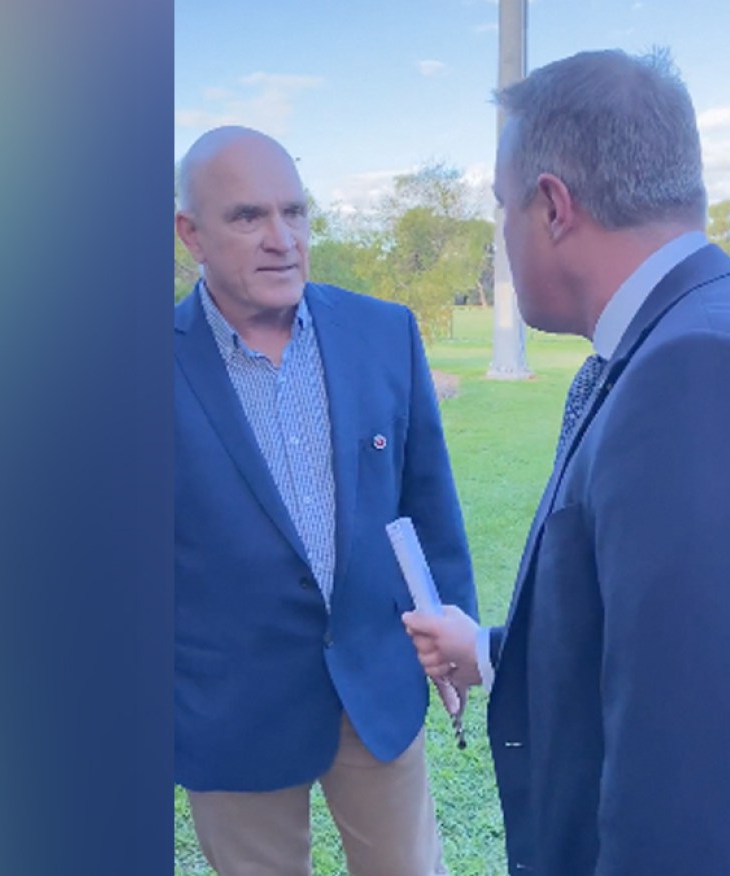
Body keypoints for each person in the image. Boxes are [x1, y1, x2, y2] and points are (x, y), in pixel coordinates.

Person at [403, 49, 730, 875]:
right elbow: (671, 649)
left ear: (552, 206)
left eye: (501, 208)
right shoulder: (714, 331)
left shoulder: (699, 372)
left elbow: (702, 787)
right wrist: (492, 652)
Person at [174, 125, 477, 876]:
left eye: (294, 212)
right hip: (230, 709)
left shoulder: (383, 333)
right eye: (248, 217)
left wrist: (453, 633)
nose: (281, 238)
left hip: (375, 687)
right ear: (191, 234)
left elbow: (427, 504)